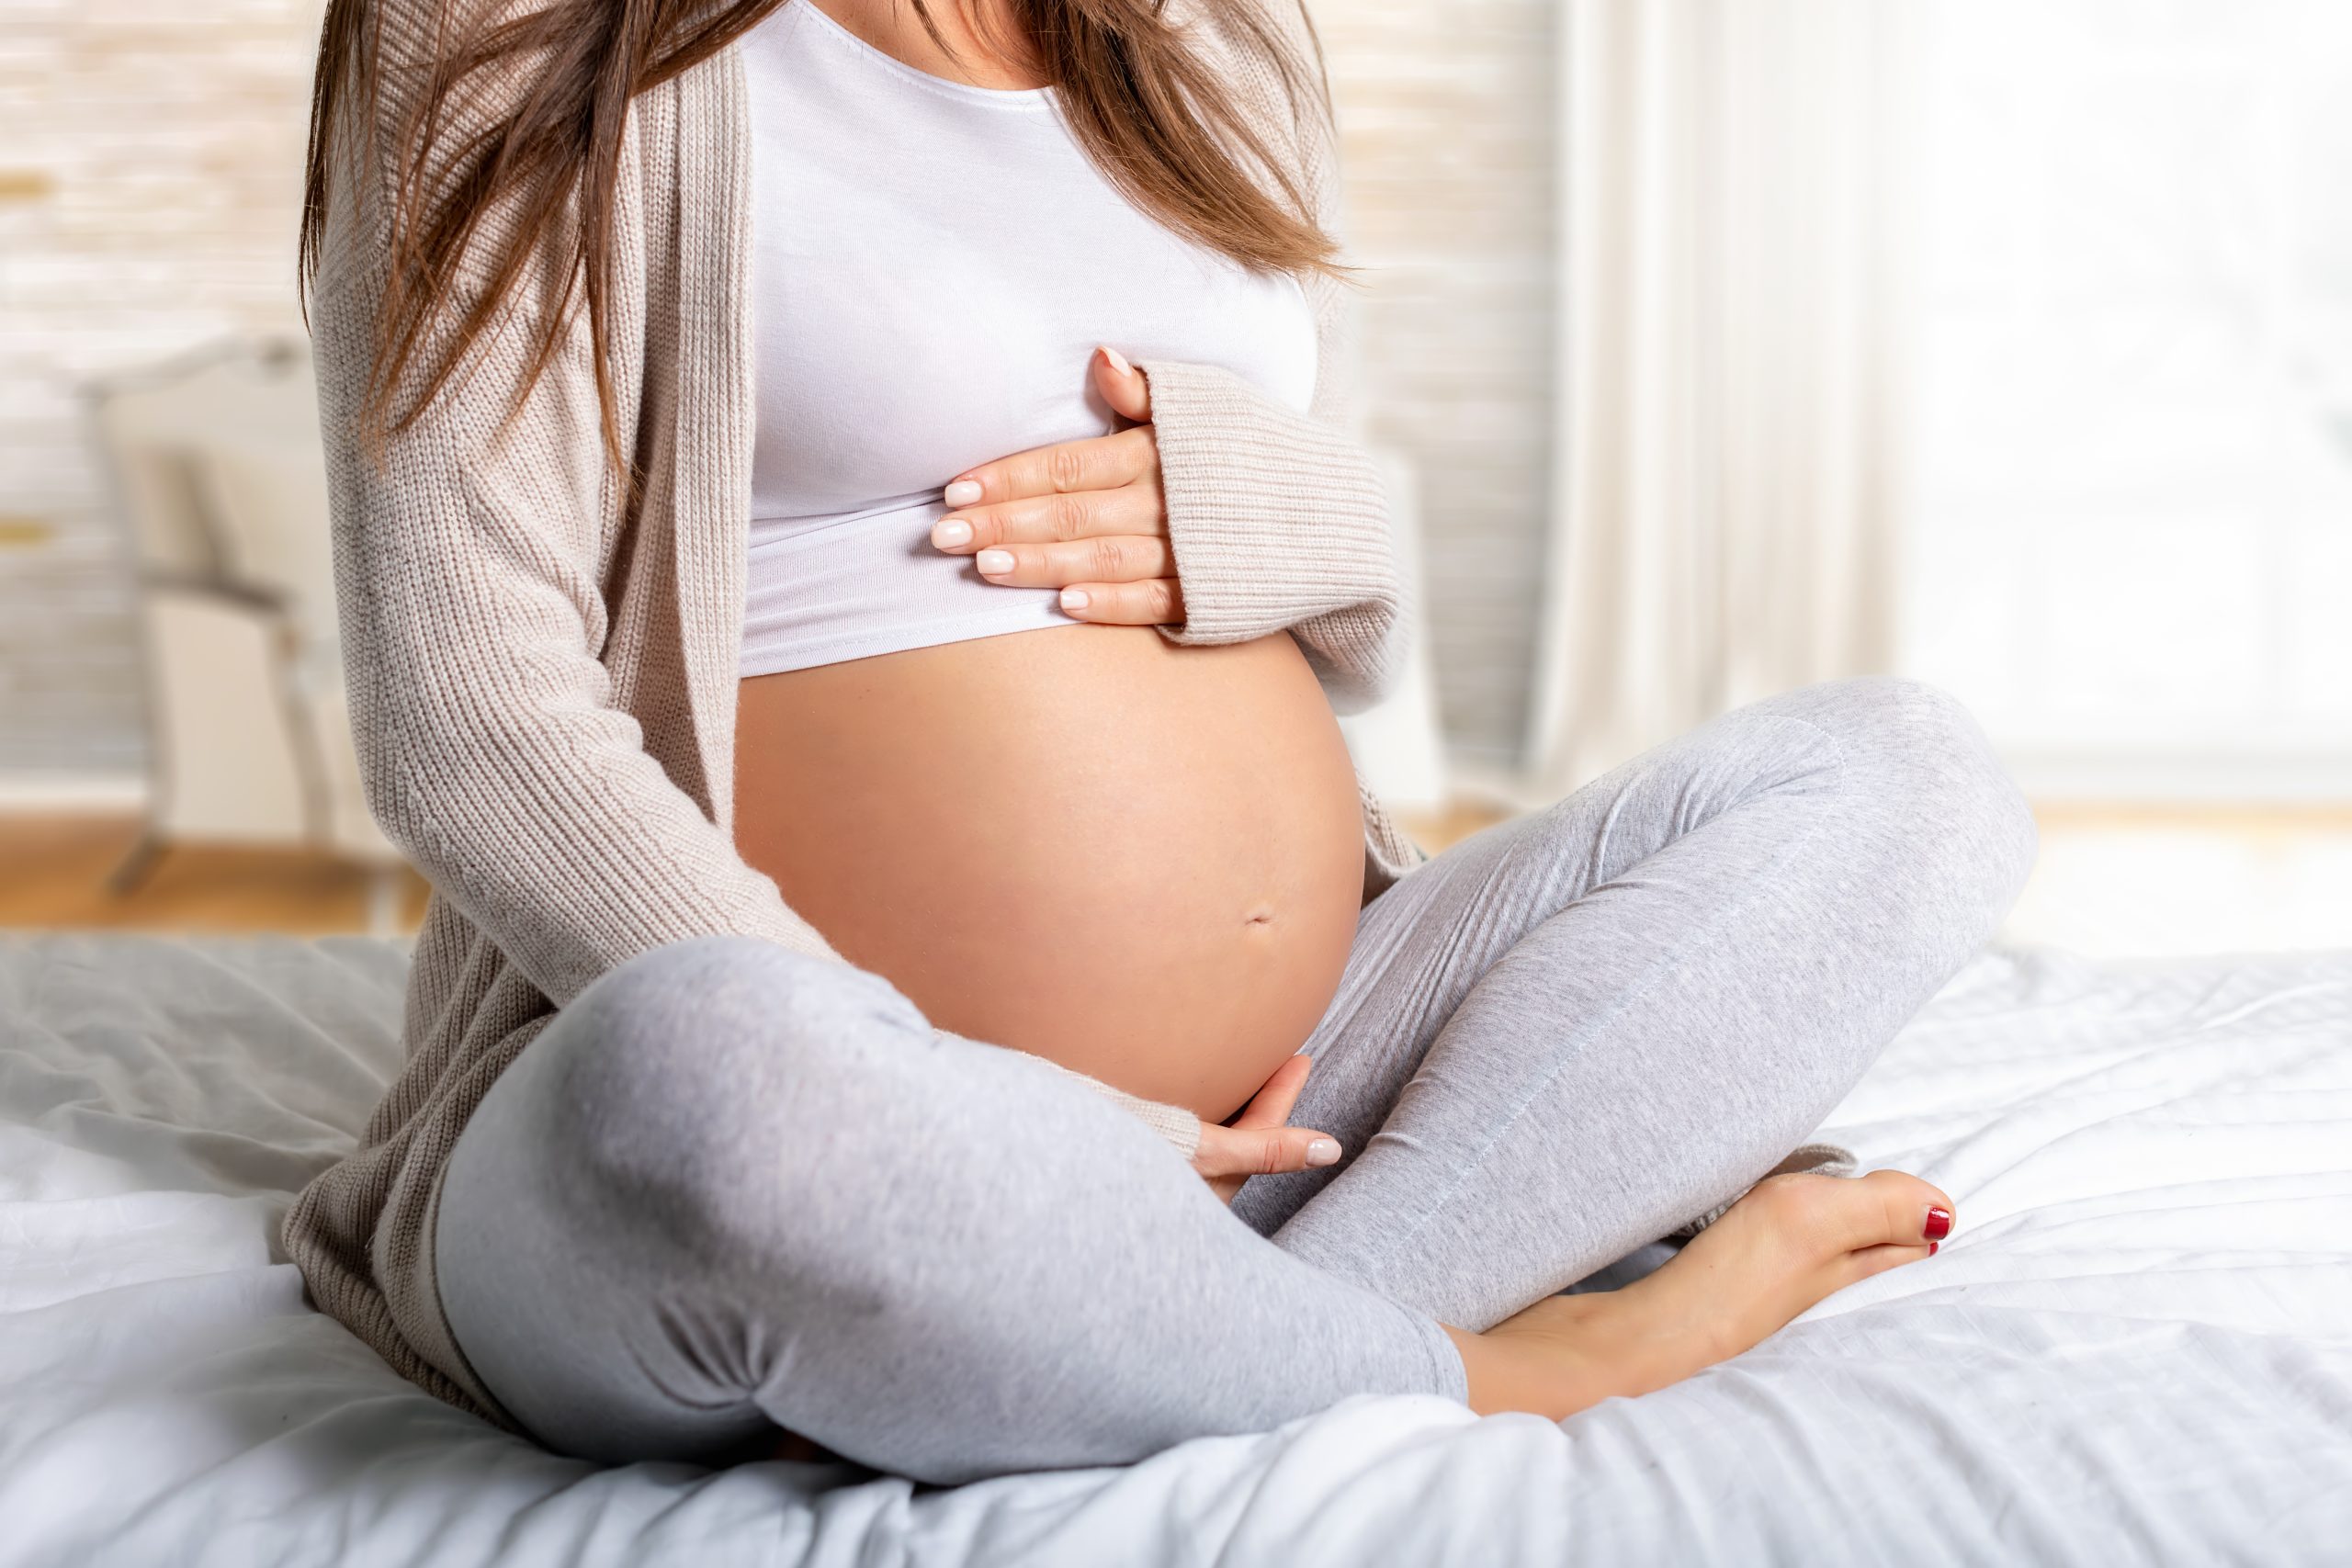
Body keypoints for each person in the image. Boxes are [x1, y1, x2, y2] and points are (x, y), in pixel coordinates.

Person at [285, 0, 2038, 1487]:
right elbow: (472, 716)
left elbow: (1324, 581)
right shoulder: (516, 31)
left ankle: (1160, 1336)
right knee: (703, 1077)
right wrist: (949, 1103)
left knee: (1905, 779)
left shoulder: (1201, 28)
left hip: (1282, 1124)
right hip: (835, 1131)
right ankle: (1508, 1367)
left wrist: (1283, 511)